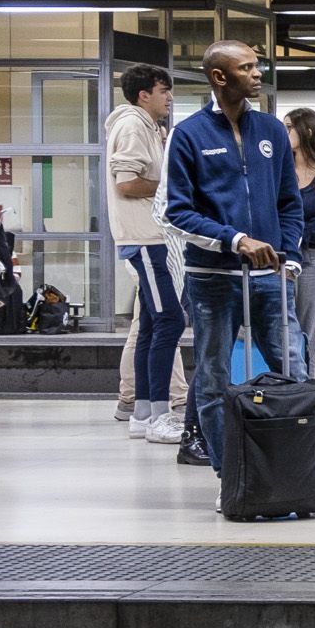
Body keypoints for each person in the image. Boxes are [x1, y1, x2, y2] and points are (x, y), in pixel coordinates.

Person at [160, 40, 306, 479]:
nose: (257, 74)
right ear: (219, 77)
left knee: (293, 372)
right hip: (211, 278)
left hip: (271, 276)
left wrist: (292, 256)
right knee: (213, 377)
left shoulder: (272, 130)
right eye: (246, 68)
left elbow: (289, 201)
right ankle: (232, 473)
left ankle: (297, 470)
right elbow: (177, 211)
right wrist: (235, 239)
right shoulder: (188, 135)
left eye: (257, 66)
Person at [107, 63, 187, 444]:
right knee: (170, 319)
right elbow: (127, 183)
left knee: (154, 324)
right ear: (144, 94)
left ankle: (142, 412)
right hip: (147, 239)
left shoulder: (148, 127)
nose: (169, 97)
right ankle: (159, 414)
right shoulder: (132, 125)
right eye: (164, 90)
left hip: (150, 238)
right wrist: (174, 189)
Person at [284, 106, 315, 380]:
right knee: (280, 328)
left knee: (307, 330)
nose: (285, 132)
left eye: (289, 127)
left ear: (308, 131)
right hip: (281, 258)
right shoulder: (280, 168)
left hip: (314, 258)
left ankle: (306, 387)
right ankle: (281, 386)